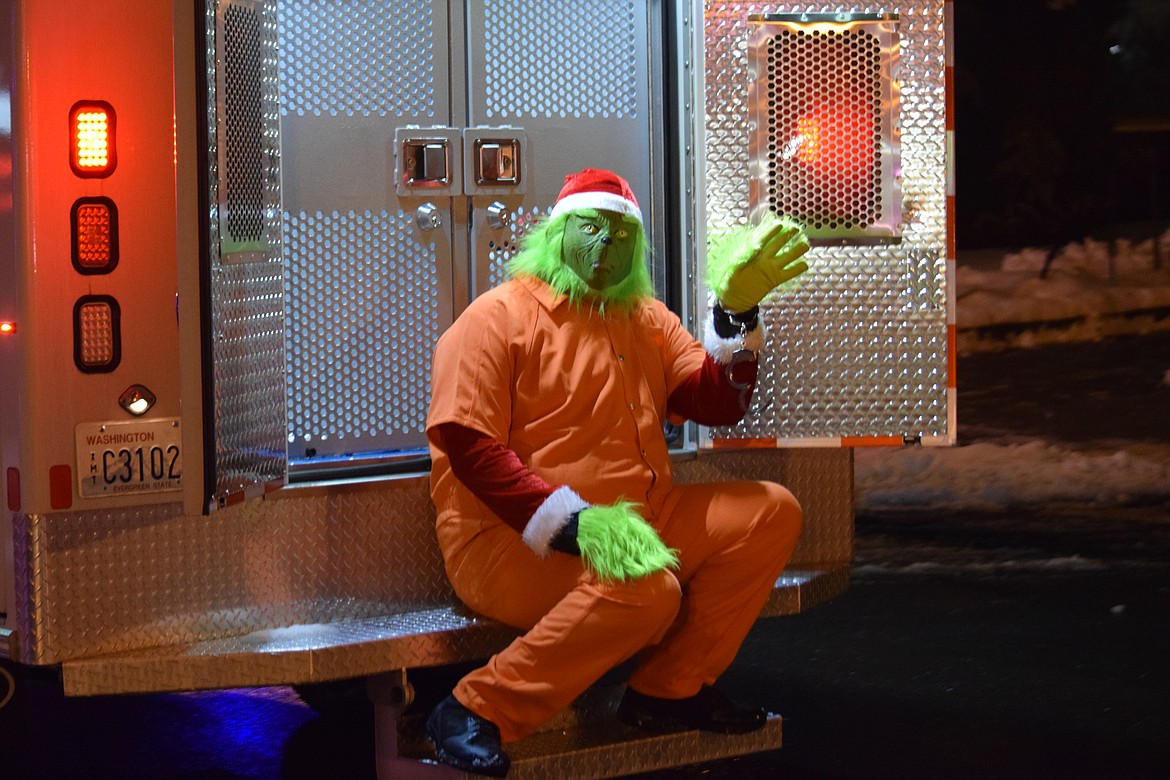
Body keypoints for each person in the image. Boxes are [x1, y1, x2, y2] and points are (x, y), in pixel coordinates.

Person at [424, 168, 809, 777]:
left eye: (621, 235)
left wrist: (735, 313)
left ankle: (668, 689)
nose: (606, 248)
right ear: (555, 235)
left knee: (771, 511)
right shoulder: (495, 318)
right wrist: (574, 526)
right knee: (646, 588)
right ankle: (475, 708)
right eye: (590, 230)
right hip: (511, 541)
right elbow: (467, 445)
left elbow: (716, 404)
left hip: (637, 522)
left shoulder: (645, 318)